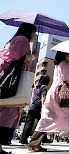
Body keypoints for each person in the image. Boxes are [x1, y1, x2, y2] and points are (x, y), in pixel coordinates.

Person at [27, 52, 69, 152]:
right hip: (63, 94)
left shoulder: (58, 64)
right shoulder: (67, 64)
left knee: (47, 118)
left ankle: (34, 143)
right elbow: (66, 79)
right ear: (65, 55)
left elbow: (62, 77)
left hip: (53, 93)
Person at [0, 22, 38, 154]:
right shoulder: (22, 40)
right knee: (8, 110)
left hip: (7, 75)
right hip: (11, 78)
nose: (34, 35)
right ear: (29, 31)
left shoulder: (14, 40)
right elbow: (16, 57)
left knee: (7, 108)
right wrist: (33, 56)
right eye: (33, 32)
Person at [19, 75, 50, 144]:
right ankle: (44, 139)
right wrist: (43, 107)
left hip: (32, 106)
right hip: (38, 107)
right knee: (43, 123)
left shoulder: (36, 87)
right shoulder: (44, 87)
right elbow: (43, 97)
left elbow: (32, 96)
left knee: (28, 123)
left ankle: (23, 139)